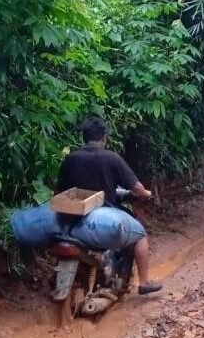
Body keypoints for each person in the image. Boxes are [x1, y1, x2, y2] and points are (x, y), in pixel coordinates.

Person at [57, 116, 162, 295]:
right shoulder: (111, 158)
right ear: (104, 138)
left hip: (72, 220)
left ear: (84, 137)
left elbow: (60, 193)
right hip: (104, 217)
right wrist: (146, 194)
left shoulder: (70, 160)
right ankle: (144, 282)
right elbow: (135, 187)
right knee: (140, 235)